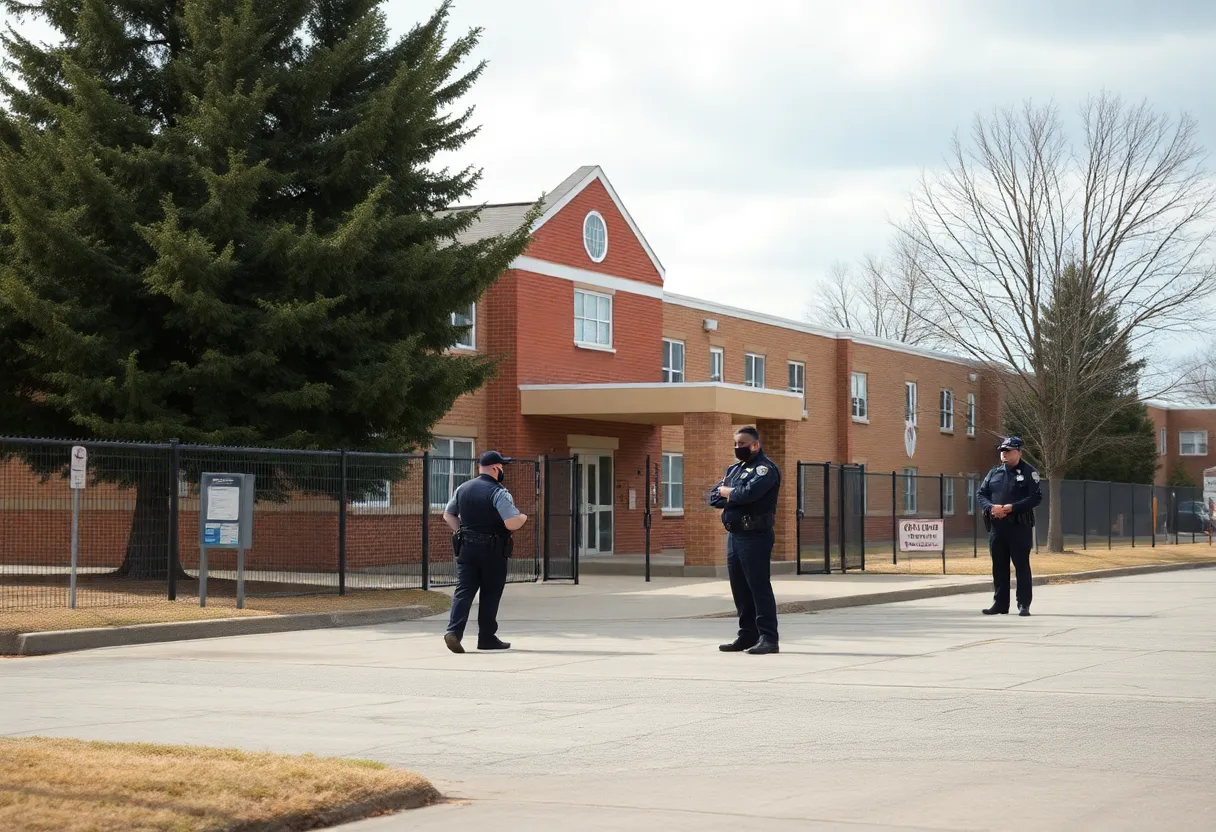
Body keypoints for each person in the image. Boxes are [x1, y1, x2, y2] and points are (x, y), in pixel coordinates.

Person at [441, 451, 528, 653]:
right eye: (502, 467)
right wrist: (523, 516)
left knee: (464, 590)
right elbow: (511, 522)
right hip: (493, 550)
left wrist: (461, 531)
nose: (503, 471)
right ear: (496, 468)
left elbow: (448, 515)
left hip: (466, 548)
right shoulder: (499, 491)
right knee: (490, 593)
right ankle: (486, 637)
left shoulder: (463, 488)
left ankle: (454, 631)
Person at [709, 426, 782, 655]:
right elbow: (713, 497)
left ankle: (768, 638)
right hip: (735, 535)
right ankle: (747, 634)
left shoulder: (764, 470)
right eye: (736, 444)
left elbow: (748, 495)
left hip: (755, 535)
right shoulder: (734, 469)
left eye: (743, 444)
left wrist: (729, 493)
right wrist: (732, 493)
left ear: (755, 445)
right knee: (739, 588)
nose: (738, 448)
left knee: (758, 587)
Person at [976, 436, 1042, 617]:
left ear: (1019, 452)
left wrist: (1012, 508)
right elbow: (981, 494)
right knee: (999, 566)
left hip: (1019, 526)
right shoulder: (994, 473)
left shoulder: (1029, 472)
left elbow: (1036, 497)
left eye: (1008, 451)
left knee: (1021, 566)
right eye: (1002, 452)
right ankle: (1000, 604)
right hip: (997, 527)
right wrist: (991, 507)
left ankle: (1023, 604)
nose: (1004, 455)